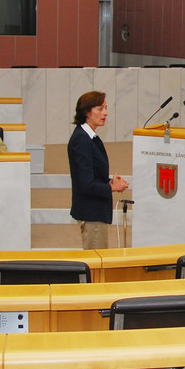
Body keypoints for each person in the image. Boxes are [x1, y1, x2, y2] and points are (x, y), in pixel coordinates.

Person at [68, 90, 128, 250]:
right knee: (96, 261)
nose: (106, 113)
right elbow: (86, 184)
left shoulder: (89, 137)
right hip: (91, 213)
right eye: (100, 109)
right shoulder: (82, 139)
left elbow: (90, 175)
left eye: (106, 108)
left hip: (95, 211)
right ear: (87, 112)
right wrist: (111, 187)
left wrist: (109, 182)